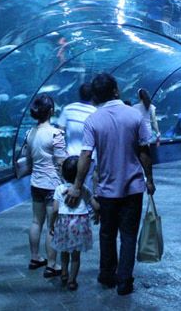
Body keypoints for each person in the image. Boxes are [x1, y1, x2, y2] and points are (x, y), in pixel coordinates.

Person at [65, 73, 156, 296]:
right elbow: (144, 152)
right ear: (115, 90)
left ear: (96, 95)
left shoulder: (94, 120)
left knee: (107, 234)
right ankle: (124, 280)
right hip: (133, 188)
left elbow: (85, 155)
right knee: (128, 235)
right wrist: (150, 180)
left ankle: (107, 275)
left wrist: (77, 185)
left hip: (106, 189)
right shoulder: (135, 116)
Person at [24, 94, 67, 278]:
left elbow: (27, 159)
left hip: (36, 183)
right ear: (51, 111)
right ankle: (51, 264)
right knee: (52, 225)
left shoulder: (29, 133)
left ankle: (35, 257)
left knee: (36, 221)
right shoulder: (55, 134)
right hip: (52, 185)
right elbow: (61, 162)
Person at [49, 156, 100, 291]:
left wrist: (51, 224)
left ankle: (64, 273)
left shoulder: (59, 189)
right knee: (76, 256)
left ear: (63, 173)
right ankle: (72, 281)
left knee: (64, 251)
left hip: (63, 224)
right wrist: (98, 215)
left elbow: (54, 210)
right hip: (80, 224)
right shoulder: (83, 189)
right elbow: (95, 205)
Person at [56, 83, 97, 156]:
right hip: (89, 158)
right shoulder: (96, 113)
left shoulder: (68, 109)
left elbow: (59, 133)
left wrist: (60, 154)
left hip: (69, 156)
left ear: (79, 94)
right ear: (93, 95)